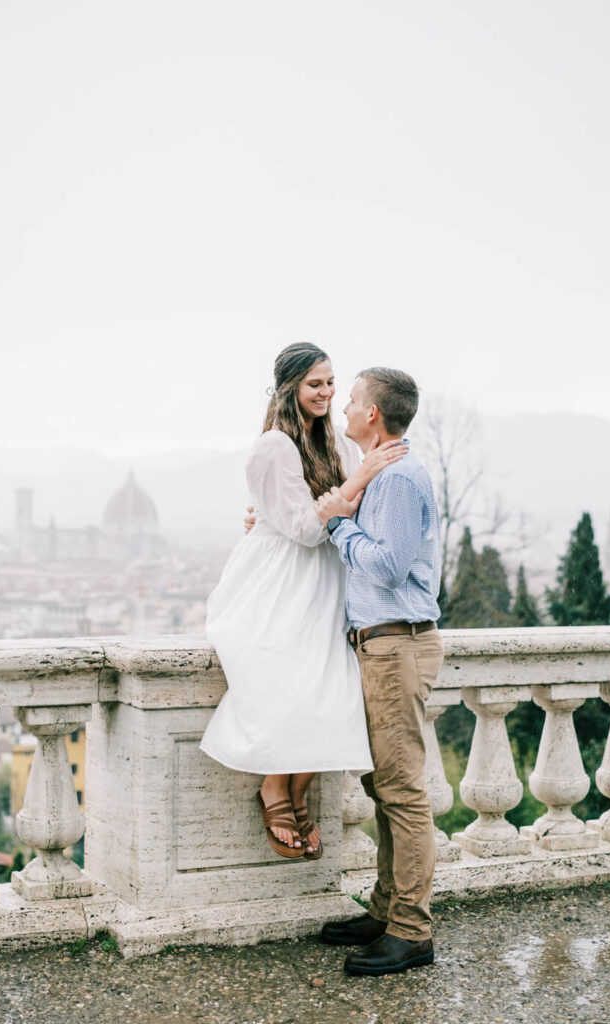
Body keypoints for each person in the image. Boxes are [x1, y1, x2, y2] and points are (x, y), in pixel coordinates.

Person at [200, 344, 406, 860]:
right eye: (316, 384)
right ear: (290, 386)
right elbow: (302, 531)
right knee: (293, 682)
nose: (327, 393)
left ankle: (295, 791)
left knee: (331, 685)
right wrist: (358, 477)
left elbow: (346, 511)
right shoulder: (273, 444)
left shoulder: (333, 438)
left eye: (332, 382)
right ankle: (275, 788)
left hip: (326, 582)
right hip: (281, 582)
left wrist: (354, 481)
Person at [315, 367, 444, 977]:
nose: (343, 404)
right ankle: (386, 909)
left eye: (353, 398)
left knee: (402, 793)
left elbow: (389, 567)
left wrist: (338, 524)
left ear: (373, 415)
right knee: (384, 790)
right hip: (382, 646)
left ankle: (412, 930)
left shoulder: (397, 477)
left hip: (397, 645)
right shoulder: (384, 473)